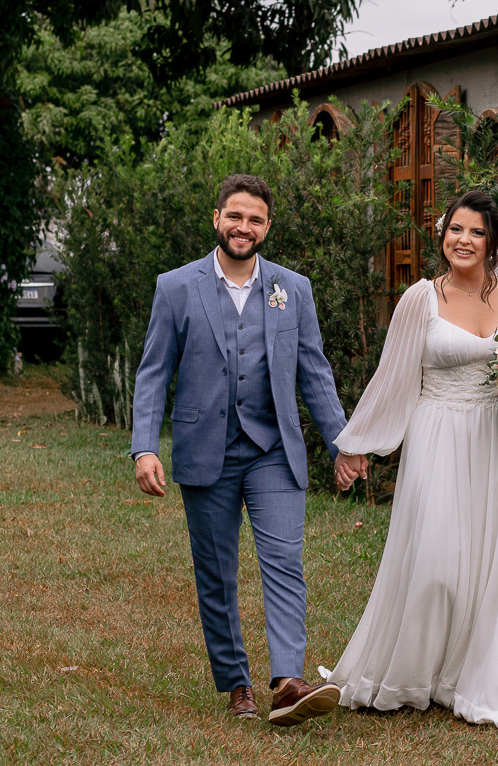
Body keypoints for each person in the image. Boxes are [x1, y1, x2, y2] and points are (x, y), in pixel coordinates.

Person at [325, 190, 498, 732]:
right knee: (438, 564)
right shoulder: (420, 299)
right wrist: (357, 443)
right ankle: (414, 672)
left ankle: (488, 683)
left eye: (476, 232)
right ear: (442, 235)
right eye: (455, 230)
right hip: (439, 437)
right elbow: (393, 377)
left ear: (492, 241)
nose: (463, 241)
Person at [130, 174, 368, 726]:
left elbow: (314, 372)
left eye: (255, 219)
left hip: (272, 450)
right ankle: (237, 683)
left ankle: (286, 681)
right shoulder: (176, 287)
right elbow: (153, 372)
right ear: (217, 218)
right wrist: (144, 447)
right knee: (216, 572)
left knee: (284, 560)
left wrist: (343, 443)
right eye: (235, 216)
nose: (244, 227)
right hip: (204, 449)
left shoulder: (293, 289)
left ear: (267, 227)